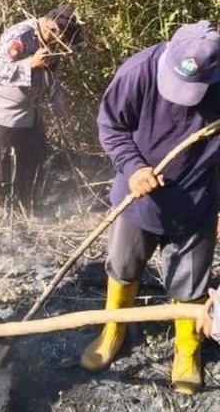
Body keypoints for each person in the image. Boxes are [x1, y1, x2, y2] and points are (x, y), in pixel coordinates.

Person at [80, 20, 220, 395]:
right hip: (139, 198)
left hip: (198, 202)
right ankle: (113, 330)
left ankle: (187, 349)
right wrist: (134, 167)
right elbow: (111, 126)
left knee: (189, 280)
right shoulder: (139, 71)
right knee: (123, 266)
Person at [0, 3, 82, 211]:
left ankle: (26, 202)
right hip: (5, 112)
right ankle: (3, 209)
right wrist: (29, 63)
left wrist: (60, 105)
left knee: (35, 156)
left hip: (31, 112)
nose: (61, 44)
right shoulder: (19, 36)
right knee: (0, 163)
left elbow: (52, 78)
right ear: (51, 27)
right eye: (61, 39)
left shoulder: (55, 44)